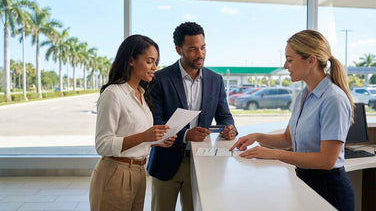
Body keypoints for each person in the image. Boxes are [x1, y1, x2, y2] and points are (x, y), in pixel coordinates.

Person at [230, 29, 355, 211]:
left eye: (290, 60)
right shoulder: (304, 94)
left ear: (311, 60)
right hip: (304, 182)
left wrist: (274, 154)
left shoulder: (333, 98)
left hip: (329, 191)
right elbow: (288, 139)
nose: (285, 65)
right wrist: (257, 136)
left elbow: (327, 160)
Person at [147, 22, 237, 211]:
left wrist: (230, 128)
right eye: (193, 49)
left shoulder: (216, 80)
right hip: (165, 161)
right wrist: (185, 135)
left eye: (203, 47)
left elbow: (224, 115)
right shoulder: (160, 79)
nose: (200, 54)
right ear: (179, 49)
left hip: (202, 162)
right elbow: (155, 120)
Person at [89, 34, 176, 211]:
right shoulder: (113, 94)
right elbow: (102, 145)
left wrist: (155, 141)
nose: (154, 68)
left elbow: (133, 135)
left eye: (156, 62)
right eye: (149, 61)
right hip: (116, 173)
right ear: (131, 60)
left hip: (139, 173)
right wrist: (145, 136)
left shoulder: (142, 95)